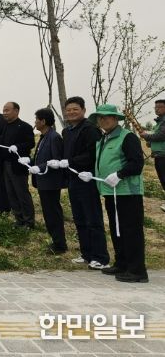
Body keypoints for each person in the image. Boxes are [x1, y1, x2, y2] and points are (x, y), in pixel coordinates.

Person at [88, 104, 147, 283]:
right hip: (110, 191)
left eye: (107, 117)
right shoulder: (103, 139)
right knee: (117, 229)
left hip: (127, 192)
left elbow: (136, 163)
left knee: (131, 230)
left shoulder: (127, 137)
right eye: (100, 117)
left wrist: (119, 174)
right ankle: (122, 263)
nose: (103, 120)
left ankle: (137, 270)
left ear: (115, 118)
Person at [62, 96, 110, 270]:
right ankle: (86, 253)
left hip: (87, 179)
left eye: (75, 109)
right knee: (79, 218)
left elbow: (93, 154)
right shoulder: (67, 131)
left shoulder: (90, 129)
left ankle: (100, 257)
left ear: (83, 110)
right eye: (68, 110)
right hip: (73, 179)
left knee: (92, 219)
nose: (71, 112)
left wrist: (72, 162)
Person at [29, 108, 67, 254]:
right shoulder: (44, 136)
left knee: (53, 214)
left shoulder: (54, 137)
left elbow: (56, 160)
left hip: (51, 182)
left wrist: (39, 167)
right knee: (48, 213)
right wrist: (30, 161)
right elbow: (41, 158)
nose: (35, 122)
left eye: (36, 119)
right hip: (43, 182)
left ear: (43, 121)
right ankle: (55, 241)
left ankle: (60, 245)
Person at [0, 101, 35, 229]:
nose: (4, 113)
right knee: (11, 193)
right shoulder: (5, 126)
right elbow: (2, 139)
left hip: (18, 165)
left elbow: (31, 143)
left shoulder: (25, 126)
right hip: (6, 163)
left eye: (7, 110)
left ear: (16, 111)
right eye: (4, 110)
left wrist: (17, 147)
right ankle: (19, 219)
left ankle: (29, 221)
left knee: (22, 193)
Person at [139, 99, 165, 212]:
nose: (157, 109)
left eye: (160, 107)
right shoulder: (159, 122)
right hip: (159, 155)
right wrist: (150, 142)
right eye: (155, 107)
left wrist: (146, 136)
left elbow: (161, 136)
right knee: (162, 178)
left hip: (163, 156)